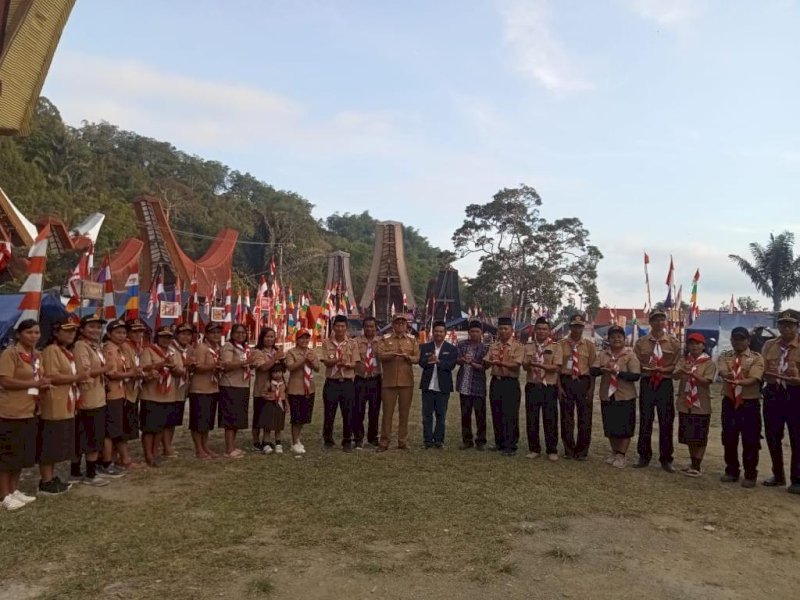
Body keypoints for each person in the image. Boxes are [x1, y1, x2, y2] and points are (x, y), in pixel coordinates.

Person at [0, 320, 51, 510]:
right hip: (11, 411)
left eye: (37, 332)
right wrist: (35, 385)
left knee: (19, 455)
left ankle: (14, 490)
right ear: (19, 334)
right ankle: (4, 495)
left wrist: (43, 385)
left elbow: (37, 379)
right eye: (29, 332)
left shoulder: (36, 355)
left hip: (30, 410)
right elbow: (5, 381)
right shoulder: (10, 354)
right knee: (7, 455)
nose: (34, 336)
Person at [38, 318, 84, 495]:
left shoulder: (64, 351)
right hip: (54, 402)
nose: (71, 334)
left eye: (73, 331)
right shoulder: (51, 350)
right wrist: (77, 378)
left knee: (57, 442)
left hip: (65, 401)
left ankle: (51, 477)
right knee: (49, 442)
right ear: (56, 332)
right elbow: (51, 376)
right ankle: (46, 480)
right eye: (67, 330)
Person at [633, 309, 681, 472]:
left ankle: (666, 458)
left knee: (666, 421)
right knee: (646, 420)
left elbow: (677, 363)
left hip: (664, 383)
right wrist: (646, 367)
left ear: (665, 322)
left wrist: (663, 369)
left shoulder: (673, 342)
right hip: (647, 382)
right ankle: (643, 455)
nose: (659, 322)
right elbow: (636, 361)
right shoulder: (641, 342)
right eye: (655, 320)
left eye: (662, 319)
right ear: (650, 322)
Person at [718, 327, 765, 488]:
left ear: (748, 341)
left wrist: (738, 381)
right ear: (731, 340)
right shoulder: (725, 356)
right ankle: (731, 470)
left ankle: (750, 474)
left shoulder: (757, 358)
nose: (738, 342)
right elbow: (723, 370)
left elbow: (754, 378)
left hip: (749, 403)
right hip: (730, 402)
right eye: (735, 339)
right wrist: (728, 376)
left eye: (742, 339)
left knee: (750, 439)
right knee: (729, 437)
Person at [760, 310, 800, 494]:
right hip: (773, 392)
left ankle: (797, 479)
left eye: (790, 325)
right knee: (773, 435)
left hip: (796, 394)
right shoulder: (769, 345)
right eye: (783, 324)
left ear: (797, 327)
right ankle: (778, 475)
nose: (786, 328)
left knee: (797, 438)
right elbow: (762, 367)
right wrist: (765, 375)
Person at [70, 316, 113, 486]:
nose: (96, 330)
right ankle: (89, 473)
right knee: (90, 437)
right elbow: (84, 372)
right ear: (82, 329)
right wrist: (106, 369)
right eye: (91, 327)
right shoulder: (81, 346)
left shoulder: (93, 346)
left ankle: (79, 471)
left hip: (97, 396)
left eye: (98, 327)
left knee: (88, 435)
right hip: (88, 398)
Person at [590, 325, 640, 468]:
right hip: (608, 394)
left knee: (625, 426)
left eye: (619, 337)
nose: (616, 339)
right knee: (610, 425)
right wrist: (603, 369)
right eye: (613, 337)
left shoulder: (630, 355)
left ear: (624, 339)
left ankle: (621, 455)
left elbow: (635, 376)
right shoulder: (603, 355)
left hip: (625, 395)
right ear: (608, 339)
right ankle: (614, 451)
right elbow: (593, 371)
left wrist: (617, 373)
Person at [672, 332, 716, 477]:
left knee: (700, 435)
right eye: (691, 343)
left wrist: (692, 374)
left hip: (701, 404)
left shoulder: (709, 362)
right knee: (690, 435)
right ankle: (693, 462)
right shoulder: (684, 360)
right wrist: (682, 370)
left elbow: (707, 381)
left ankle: (697, 465)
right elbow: (675, 376)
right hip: (686, 403)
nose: (694, 346)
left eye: (698, 344)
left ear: (703, 346)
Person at [139, 327, 184, 467]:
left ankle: (156, 452)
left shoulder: (174, 352)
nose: (166, 340)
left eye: (169, 337)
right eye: (163, 337)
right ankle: (148, 455)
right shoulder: (148, 350)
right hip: (151, 394)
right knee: (149, 428)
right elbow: (143, 368)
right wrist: (161, 364)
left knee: (160, 428)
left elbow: (181, 371)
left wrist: (173, 368)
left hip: (168, 394)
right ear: (157, 338)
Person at [376, 313, 419, 452]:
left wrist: (408, 357)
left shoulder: (412, 340)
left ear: (406, 325)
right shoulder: (385, 339)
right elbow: (380, 355)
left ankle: (402, 441)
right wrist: (393, 354)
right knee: (387, 413)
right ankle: (384, 441)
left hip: (406, 381)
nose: (400, 325)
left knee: (404, 413)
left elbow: (417, 357)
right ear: (393, 325)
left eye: (403, 323)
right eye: (397, 323)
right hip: (389, 382)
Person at [523, 317, 562, 461]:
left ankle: (552, 450)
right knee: (531, 418)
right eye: (538, 328)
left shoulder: (556, 346)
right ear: (534, 330)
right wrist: (528, 362)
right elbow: (524, 366)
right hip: (532, 385)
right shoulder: (528, 346)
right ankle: (534, 449)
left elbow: (556, 367)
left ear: (549, 331)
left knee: (550, 418)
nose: (541, 331)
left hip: (549, 387)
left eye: (544, 329)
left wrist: (541, 366)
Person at [557, 314, 596, 460]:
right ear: (570, 326)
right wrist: (559, 387)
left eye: (580, 326)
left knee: (585, 418)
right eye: (574, 326)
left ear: (583, 327)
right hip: (566, 381)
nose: (577, 329)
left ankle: (581, 451)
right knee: (566, 418)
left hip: (583, 382)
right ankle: (569, 449)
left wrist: (591, 389)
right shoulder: (561, 344)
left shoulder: (589, 345)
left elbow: (592, 370)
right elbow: (557, 368)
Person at [485, 316, 524, 456]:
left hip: (510, 382)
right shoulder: (494, 345)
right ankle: (499, 442)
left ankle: (511, 445)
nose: (503, 331)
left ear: (511, 330)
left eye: (505, 328)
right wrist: (488, 362)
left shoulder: (518, 346)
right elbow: (487, 361)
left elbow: (516, 365)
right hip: (496, 381)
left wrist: (500, 363)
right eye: (500, 328)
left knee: (510, 414)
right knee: (496, 412)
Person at [321, 315, 360, 451]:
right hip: (332, 382)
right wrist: (337, 361)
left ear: (346, 328)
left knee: (348, 412)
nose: (340, 329)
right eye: (337, 326)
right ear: (333, 327)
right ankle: (328, 440)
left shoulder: (352, 343)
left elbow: (355, 363)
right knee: (329, 413)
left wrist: (347, 364)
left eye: (343, 326)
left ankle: (347, 440)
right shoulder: (326, 343)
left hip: (347, 382)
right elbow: (325, 361)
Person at [98, 319, 131, 478]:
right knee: (110, 432)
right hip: (111, 394)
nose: (122, 335)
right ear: (109, 334)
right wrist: (130, 374)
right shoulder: (109, 349)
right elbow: (111, 373)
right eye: (118, 332)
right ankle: (106, 462)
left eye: (124, 332)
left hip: (119, 393)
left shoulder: (119, 349)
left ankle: (110, 460)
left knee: (115, 430)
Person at [418, 320, 458, 449]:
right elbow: (421, 363)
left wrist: (439, 361)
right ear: (432, 332)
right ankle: (428, 440)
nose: (438, 333)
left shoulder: (451, 348)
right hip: (427, 386)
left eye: (441, 331)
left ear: (445, 333)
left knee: (441, 415)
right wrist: (428, 360)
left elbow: (451, 365)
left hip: (443, 387)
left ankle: (439, 440)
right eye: (436, 331)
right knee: (426, 415)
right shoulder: (425, 347)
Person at [218, 323, 256, 458]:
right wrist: (245, 363)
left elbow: (245, 365)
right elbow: (226, 365)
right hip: (230, 385)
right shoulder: (229, 346)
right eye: (238, 332)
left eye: (243, 333)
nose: (241, 335)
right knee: (230, 418)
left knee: (237, 419)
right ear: (232, 334)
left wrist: (251, 364)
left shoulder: (245, 348)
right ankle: (229, 449)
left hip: (242, 385)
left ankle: (232, 446)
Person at [188, 322, 222, 459]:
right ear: (207, 334)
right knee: (198, 421)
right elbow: (198, 367)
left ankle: (205, 446)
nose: (216, 335)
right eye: (213, 332)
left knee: (207, 421)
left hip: (212, 388)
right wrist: (214, 366)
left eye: (218, 332)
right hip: (200, 389)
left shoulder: (218, 348)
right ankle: (198, 448)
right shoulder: (201, 348)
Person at [285, 329, 320, 456]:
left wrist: (310, 361)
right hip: (295, 388)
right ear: (297, 340)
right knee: (296, 417)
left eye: (306, 338)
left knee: (304, 417)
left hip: (309, 388)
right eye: (301, 338)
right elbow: (290, 367)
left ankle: (297, 439)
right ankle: (294, 442)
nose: (304, 341)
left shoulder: (311, 352)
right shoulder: (291, 352)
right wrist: (303, 360)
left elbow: (317, 368)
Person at [455, 320, 489, 450]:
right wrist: (462, 360)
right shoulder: (461, 344)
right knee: (465, 414)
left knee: (480, 414)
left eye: (477, 331)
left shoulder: (485, 348)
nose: (474, 334)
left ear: (481, 333)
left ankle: (481, 441)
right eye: (472, 331)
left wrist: (472, 363)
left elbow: (485, 367)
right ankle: (467, 440)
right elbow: (456, 360)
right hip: (464, 384)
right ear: (468, 332)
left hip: (478, 385)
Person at [119, 319, 147, 466]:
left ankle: (123, 457)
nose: (138, 334)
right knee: (124, 426)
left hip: (132, 390)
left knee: (128, 424)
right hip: (125, 391)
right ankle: (124, 459)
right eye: (134, 331)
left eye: (140, 331)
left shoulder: (135, 347)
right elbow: (128, 370)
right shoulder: (125, 346)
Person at [164, 323, 193, 458]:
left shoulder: (190, 349)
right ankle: (166, 446)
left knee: (174, 419)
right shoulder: (170, 348)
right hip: (169, 386)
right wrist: (184, 365)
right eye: (183, 334)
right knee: (167, 419)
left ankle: (168, 444)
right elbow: (172, 367)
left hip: (182, 387)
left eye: (188, 334)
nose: (186, 337)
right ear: (177, 335)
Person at [252, 327, 283, 452]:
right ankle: (255, 441)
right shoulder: (257, 352)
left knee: (272, 416)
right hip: (261, 389)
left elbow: (282, 368)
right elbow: (263, 368)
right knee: (258, 416)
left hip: (276, 390)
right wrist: (275, 358)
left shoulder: (277, 350)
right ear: (262, 338)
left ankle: (268, 440)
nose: (269, 339)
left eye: (272, 336)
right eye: (267, 336)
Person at [354, 316, 382, 448]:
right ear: (363, 327)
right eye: (367, 326)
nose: (369, 329)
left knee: (374, 410)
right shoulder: (356, 342)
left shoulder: (381, 342)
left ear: (376, 328)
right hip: (360, 379)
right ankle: (358, 437)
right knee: (358, 409)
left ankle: (373, 437)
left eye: (372, 326)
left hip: (375, 379)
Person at [258, 361, 287, 454]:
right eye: (274, 372)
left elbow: (286, 395)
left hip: (280, 406)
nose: (277, 374)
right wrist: (268, 396)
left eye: (279, 372)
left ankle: (278, 444)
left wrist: (287, 406)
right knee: (268, 426)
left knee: (278, 426)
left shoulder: (284, 383)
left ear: (283, 372)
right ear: (271, 373)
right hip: (270, 406)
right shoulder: (269, 383)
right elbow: (263, 393)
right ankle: (266, 444)